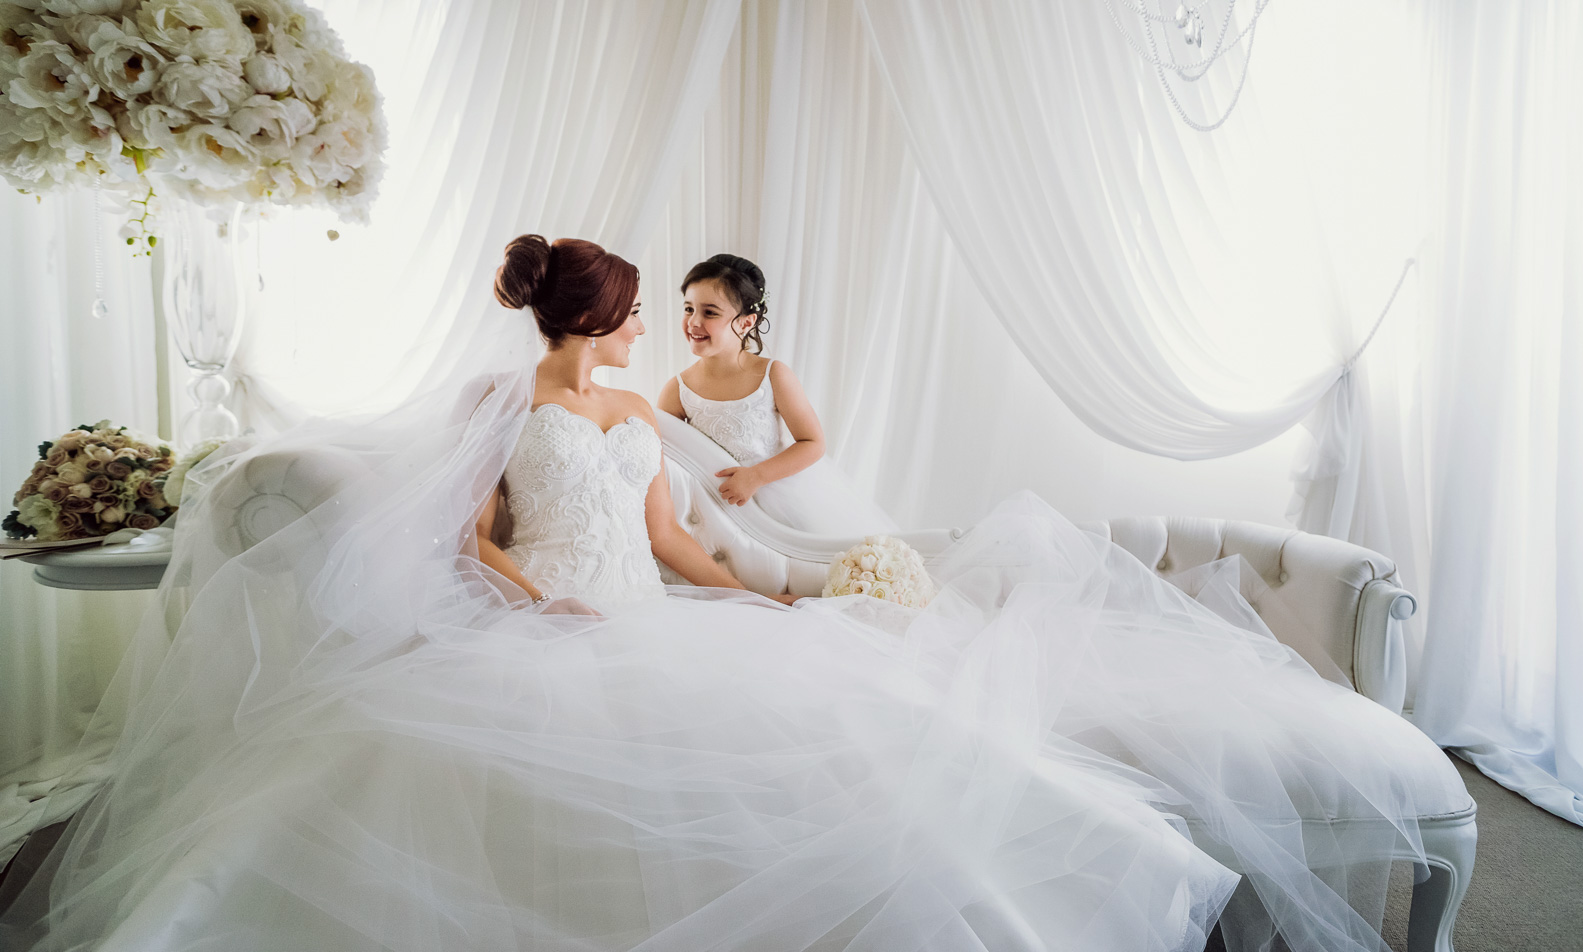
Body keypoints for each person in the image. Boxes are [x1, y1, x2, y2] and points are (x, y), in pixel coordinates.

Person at [0, 235, 1241, 952]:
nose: (655, 327)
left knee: (851, 753)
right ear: (592, 318)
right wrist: (534, 603)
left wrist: (764, 601)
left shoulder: (634, 407)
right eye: (641, 312)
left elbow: (668, 540)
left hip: (643, 620)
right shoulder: (503, 402)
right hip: (539, 628)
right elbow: (466, 538)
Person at [658, 254, 897, 538]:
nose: (694, 321)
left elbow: (813, 443)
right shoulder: (677, 389)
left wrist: (756, 476)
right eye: (688, 309)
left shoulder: (772, 375)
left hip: (776, 496)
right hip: (713, 505)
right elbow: (665, 458)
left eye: (710, 313)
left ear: (746, 323)